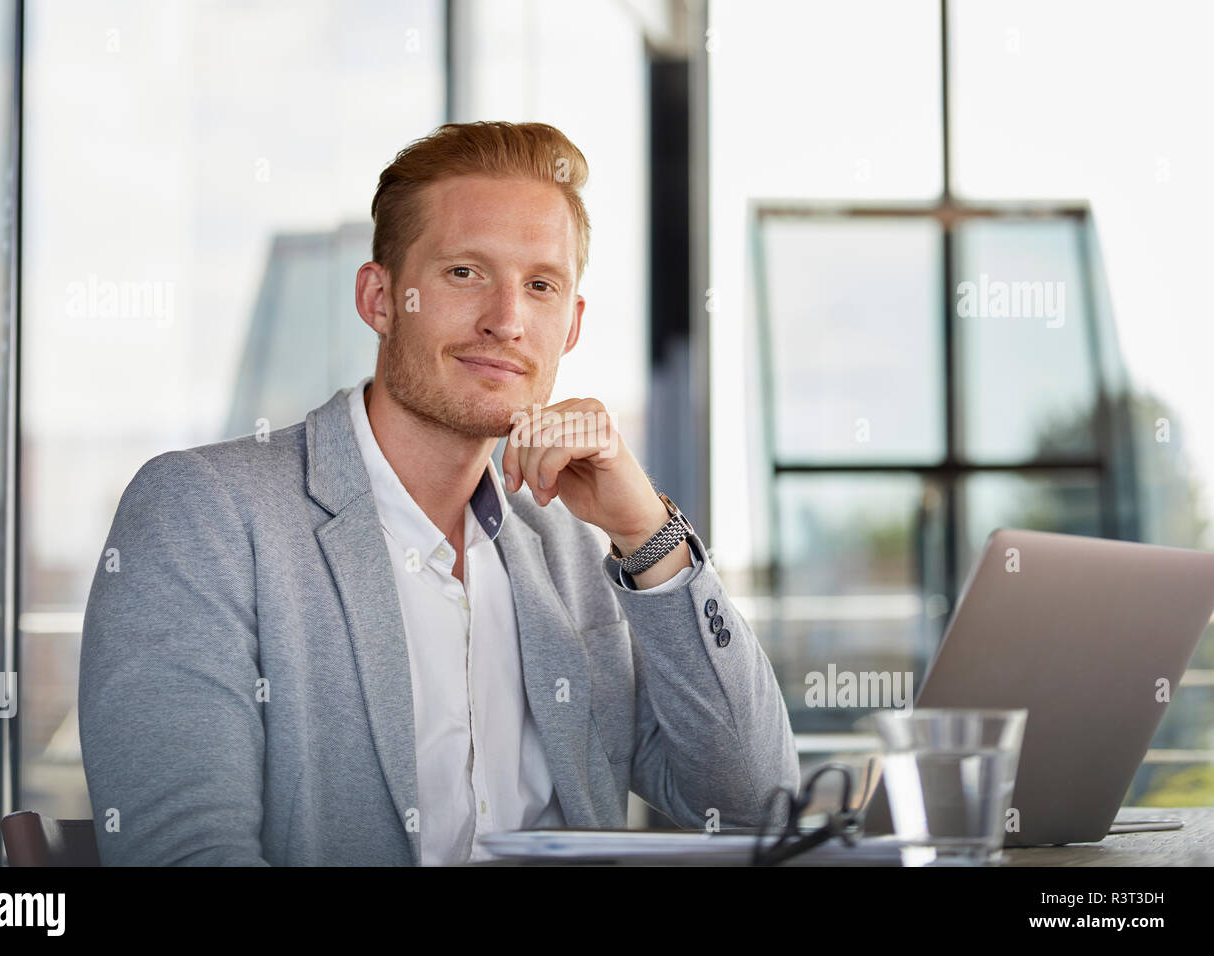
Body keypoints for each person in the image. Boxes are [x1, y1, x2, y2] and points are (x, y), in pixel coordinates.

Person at [78, 120, 799, 865]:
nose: (506, 321)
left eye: (541, 286)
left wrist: (647, 531)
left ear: (571, 325)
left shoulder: (575, 552)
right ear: (380, 299)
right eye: (465, 273)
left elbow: (756, 805)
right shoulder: (204, 516)